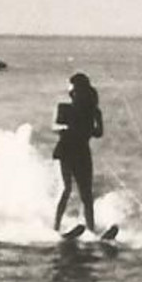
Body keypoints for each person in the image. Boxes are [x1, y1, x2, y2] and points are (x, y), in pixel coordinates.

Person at [52, 72, 104, 237]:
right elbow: (54, 126)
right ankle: (55, 228)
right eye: (74, 92)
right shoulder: (63, 108)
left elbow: (99, 133)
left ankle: (91, 230)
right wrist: (65, 128)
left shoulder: (94, 112)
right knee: (66, 188)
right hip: (65, 150)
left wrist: (94, 127)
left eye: (79, 92)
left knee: (86, 194)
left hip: (82, 152)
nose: (76, 95)